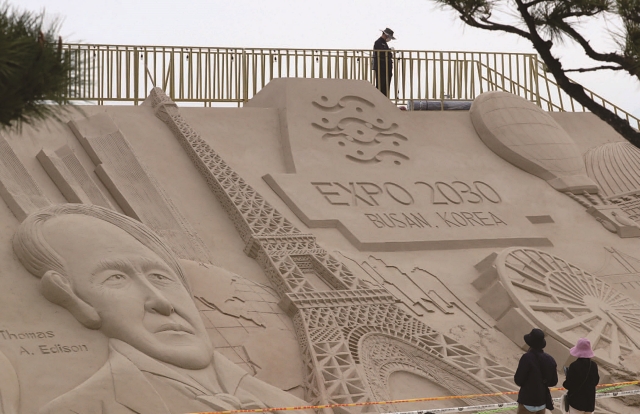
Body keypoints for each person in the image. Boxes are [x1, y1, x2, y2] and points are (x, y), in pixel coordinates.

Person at [13, 204, 311, 414]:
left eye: (160, 276)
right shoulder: (80, 409)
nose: (161, 302)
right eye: (115, 278)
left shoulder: (293, 406)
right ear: (72, 298)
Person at [514, 329, 558, 414]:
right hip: (542, 401)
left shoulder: (527, 358)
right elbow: (553, 381)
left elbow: (518, 380)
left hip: (527, 400)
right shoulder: (550, 360)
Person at [562, 338, 599, 414]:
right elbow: (596, 381)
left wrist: (565, 382)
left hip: (576, 403)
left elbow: (569, 385)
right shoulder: (594, 365)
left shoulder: (574, 366)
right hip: (589, 403)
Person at [373, 28, 395, 97]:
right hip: (381, 67)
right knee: (380, 85)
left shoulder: (384, 43)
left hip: (386, 67)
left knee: (386, 86)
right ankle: (378, 100)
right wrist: (389, 51)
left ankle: (384, 99)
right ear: (385, 35)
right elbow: (382, 53)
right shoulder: (378, 42)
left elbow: (388, 54)